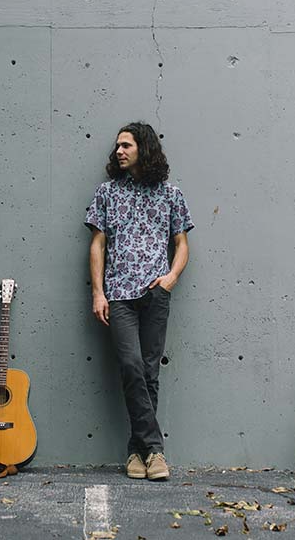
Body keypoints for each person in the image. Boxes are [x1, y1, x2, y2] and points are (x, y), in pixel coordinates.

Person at [85, 122, 193, 480]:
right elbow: (98, 243)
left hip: (155, 295)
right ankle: (156, 451)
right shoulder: (107, 193)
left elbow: (181, 244)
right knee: (131, 366)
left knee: (149, 373)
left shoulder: (170, 195)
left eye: (126, 145)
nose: (119, 150)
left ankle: (137, 452)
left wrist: (170, 279)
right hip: (118, 295)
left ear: (143, 149)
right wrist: (98, 292)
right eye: (117, 145)